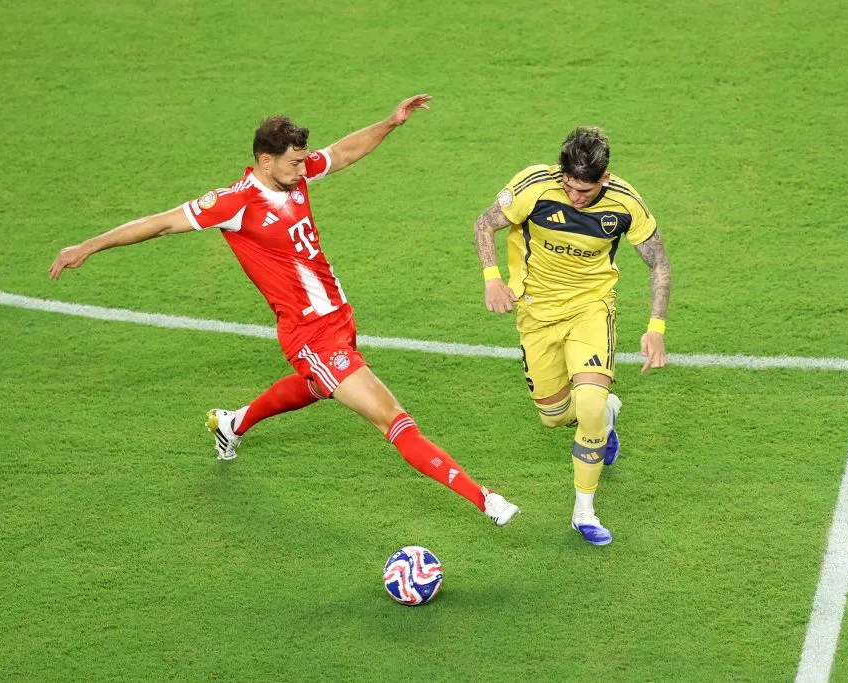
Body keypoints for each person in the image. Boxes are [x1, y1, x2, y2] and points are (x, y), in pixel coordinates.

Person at [49, 94, 519, 527]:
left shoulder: (295, 173)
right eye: (294, 162)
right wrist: (88, 245)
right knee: (393, 418)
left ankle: (232, 423)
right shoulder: (235, 204)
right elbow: (161, 223)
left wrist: (391, 122)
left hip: (339, 318)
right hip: (310, 335)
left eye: (302, 161)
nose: (302, 169)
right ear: (265, 160)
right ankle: (486, 499)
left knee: (315, 387)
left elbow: (342, 153)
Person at [472, 126, 670, 545]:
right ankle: (608, 417)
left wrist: (656, 327)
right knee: (555, 416)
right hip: (536, 313)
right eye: (570, 186)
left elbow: (659, 263)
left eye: (586, 190)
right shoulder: (533, 187)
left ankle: (584, 511)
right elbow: (484, 224)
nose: (576, 197)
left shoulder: (625, 204)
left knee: (590, 404)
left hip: (590, 308)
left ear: (605, 178)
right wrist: (492, 278)